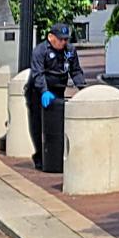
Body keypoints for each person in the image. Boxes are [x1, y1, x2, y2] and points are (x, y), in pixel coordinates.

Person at [27, 24, 88, 172]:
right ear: (51, 37)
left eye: (65, 40)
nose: (63, 43)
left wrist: (83, 89)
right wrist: (43, 91)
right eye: (60, 39)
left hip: (58, 89)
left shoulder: (70, 51)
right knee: (38, 125)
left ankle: (57, 155)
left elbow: (75, 71)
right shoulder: (40, 51)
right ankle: (40, 156)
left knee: (58, 125)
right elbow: (38, 74)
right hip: (38, 91)